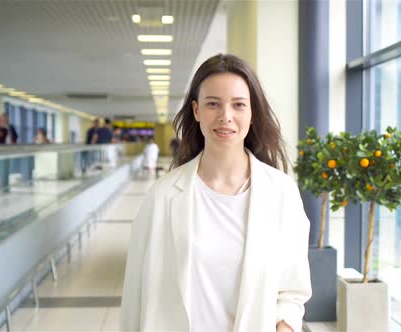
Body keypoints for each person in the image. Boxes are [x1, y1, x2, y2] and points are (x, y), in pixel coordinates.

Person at [120, 54, 312, 332]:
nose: (226, 116)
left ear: (252, 113)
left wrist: (285, 326)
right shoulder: (162, 196)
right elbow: (135, 293)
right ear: (196, 111)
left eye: (238, 105)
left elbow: (293, 291)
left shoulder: (281, 192)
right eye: (213, 104)